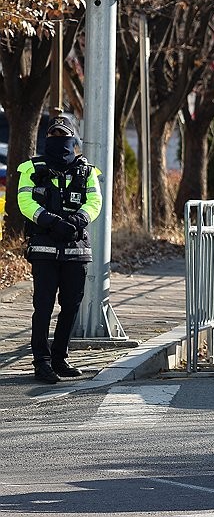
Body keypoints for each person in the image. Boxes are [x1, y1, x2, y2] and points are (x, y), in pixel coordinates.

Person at [15, 114, 102, 384]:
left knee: (71, 305)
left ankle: (59, 358)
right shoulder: (31, 168)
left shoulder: (87, 171)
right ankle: (40, 361)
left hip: (75, 246)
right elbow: (24, 200)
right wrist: (49, 220)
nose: (58, 139)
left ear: (73, 139)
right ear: (46, 137)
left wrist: (77, 220)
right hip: (44, 246)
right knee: (43, 305)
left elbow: (95, 201)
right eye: (53, 135)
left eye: (63, 135)